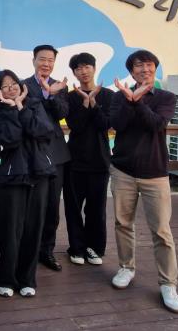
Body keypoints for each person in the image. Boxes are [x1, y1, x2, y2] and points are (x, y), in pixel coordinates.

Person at [109, 50, 178, 313]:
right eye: (138, 66)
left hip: (155, 173)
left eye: (149, 65)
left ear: (155, 69)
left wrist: (137, 101)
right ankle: (126, 267)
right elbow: (117, 124)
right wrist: (129, 100)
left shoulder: (166, 97)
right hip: (123, 171)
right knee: (123, 223)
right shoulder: (119, 97)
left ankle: (168, 283)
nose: (144, 69)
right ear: (131, 72)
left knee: (161, 230)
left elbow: (156, 124)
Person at [0, 70, 55, 298]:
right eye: (5, 86)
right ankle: (6, 278)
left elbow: (43, 130)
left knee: (33, 228)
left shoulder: (34, 104)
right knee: (10, 229)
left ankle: (27, 279)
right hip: (12, 175)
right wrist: (10, 110)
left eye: (14, 83)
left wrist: (20, 107)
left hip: (39, 174)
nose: (11, 88)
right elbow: (10, 139)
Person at [22, 44, 70, 271]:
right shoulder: (23, 85)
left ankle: (47, 251)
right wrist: (42, 94)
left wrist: (51, 93)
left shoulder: (60, 86)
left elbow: (61, 113)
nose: (46, 64)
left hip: (56, 154)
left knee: (52, 206)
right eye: (42, 59)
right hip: (32, 153)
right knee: (32, 205)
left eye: (51, 60)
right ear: (34, 60)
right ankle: (28, 249)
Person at [64, 52, 114, 267]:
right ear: (74, 72)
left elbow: (106, 125)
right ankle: (76, 248)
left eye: (87, 66)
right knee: (73, 208)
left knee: (96, 209)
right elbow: (75, 126)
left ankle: (94, 248)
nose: (83, 71)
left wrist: (93, 102)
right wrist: (85, 103)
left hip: (99, 161)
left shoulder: (109, 95)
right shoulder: (70, 97)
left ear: (94, 68)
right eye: (78, 68)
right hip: (74, 161)